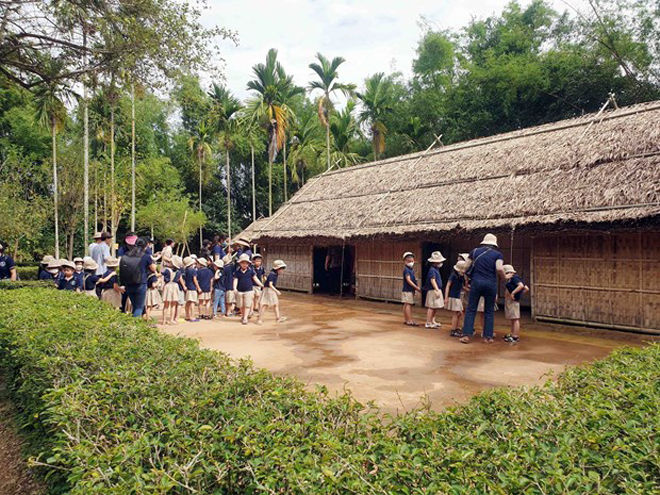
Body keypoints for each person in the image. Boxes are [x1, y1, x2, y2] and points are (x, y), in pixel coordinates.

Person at [460, 233, 506, 344]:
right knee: (489, 311)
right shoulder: (498, 254)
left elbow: (465, 266)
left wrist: (465, 275)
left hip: (476, 282)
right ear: (494, 244)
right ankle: (487, 337)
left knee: (471, 310)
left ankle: (466, 335)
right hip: (491, 284)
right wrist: (504, 277)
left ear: (483, 242)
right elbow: (499, 268)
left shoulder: (474, 252)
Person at [120, 237, 157, 317]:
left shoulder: (126, 255)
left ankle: (133, 324)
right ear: (145, 246)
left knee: (135, 305)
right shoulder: (145, 256)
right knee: (139, 307)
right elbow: (153, 268)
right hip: (140, 283)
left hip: (128, 283)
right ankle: (135, 326)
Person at [233, 253, 263, 325]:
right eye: (243, 263)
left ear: (248, 264)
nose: (245, 264)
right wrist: (234, 288)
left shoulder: (251, 271)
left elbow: (255, 279)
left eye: (246, 263)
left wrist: (262, 285)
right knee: (240, 305)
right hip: (240, 291)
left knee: (247, 305)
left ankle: (245, 318)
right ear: (240, 263)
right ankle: (243, 316)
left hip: (249, 290)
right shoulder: (237, 272)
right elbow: (235, 280)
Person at [503, 265, 529, 344]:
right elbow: (526, 288)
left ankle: (515, 336)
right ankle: (512, 334)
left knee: (515, 318)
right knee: (512, 318)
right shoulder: (512, 280)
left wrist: (514, 294)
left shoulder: (514, 278)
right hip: (510, 301)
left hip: (513, 301)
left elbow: (522, 286)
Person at [257, 260, 287, 325]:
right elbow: (270, 284)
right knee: (265, 305)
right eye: (282, 269)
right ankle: (259, 319)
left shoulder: (274, 274)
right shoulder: (272, 275)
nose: (282, 270)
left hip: (270, 289)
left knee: (275, 304)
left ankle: (278, 318)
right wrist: (276, 291)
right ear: (278, 269)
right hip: (269, 290)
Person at [424, 251, 446, 329]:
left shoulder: (436, 269)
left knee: (435, 307)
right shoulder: (432, 270)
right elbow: (432, 280)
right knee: (431, 307)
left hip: (436, 289)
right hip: (433, 290)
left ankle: (433, 320)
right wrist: (436, 289)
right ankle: (428, 322)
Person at [445, 260, 467, 337]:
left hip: (458, 296)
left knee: (459, 313)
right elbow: (448, 286)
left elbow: (462, 286)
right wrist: (446, 297)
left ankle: (457, 328)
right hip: (454, 296)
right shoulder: (453, 275)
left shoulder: (461, 276)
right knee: (457, 313)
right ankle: (453, 330)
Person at [161, 255, 182, 325]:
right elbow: (178, 279)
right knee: (173, 304)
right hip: (175, 286)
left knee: (166, 305)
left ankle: (164, 320)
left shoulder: (167, 270)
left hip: (168, 285)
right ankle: (171, 320)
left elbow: (163, 277)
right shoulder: (178, 272)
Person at [401, 252, 421, 326]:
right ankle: (409, 320)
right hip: (407, 289)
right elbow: (408, 280)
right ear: (405, 261)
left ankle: (407, 319)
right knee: (408, 304)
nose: (411, 262)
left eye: (412, 261)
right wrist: (416, 288)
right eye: (409, 261)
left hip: (409, 289)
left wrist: (414, 289)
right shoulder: (406, 270)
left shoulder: (411, 270)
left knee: (406, 304)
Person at [183, 256, 201, 322]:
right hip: (192, 288)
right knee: (192, 302)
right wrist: (198, 287)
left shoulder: (186, 270)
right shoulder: (193, 270)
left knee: (188, 302)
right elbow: (195, 279)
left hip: (188, 287)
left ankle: (187, 315)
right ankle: (192, 316)